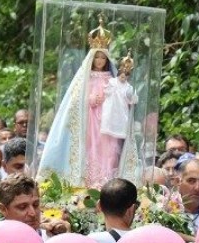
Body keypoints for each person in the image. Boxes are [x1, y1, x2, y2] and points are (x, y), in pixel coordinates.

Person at [37, 18, 140, 188]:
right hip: (90, 120)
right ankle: (88, 183)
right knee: (90, 149)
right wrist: (90, 100)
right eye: (97, 57)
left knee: (108, 151)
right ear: (92, 58)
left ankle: (107, 182)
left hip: (107, 121)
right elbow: (75, 99)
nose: (99, 61)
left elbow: (123, 94)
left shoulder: (111, 79)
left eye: (102, 58)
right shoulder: (84, 78)